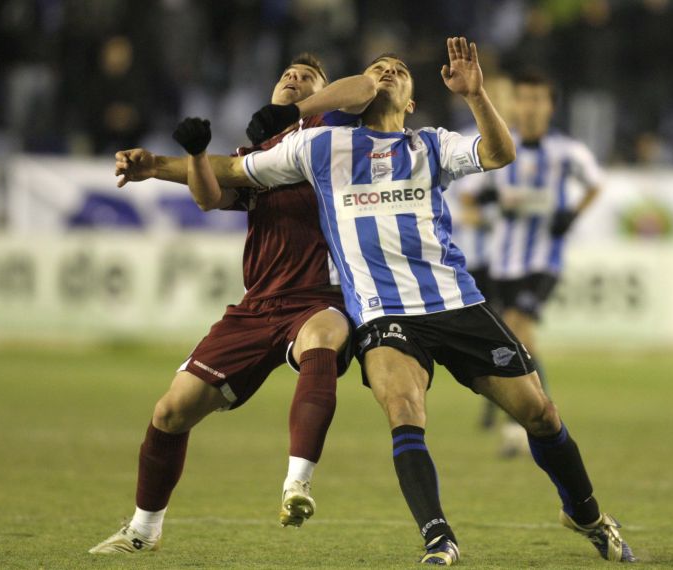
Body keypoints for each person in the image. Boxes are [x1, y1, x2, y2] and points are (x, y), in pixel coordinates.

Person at [175, 37, 635, 565]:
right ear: (359, 93)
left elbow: (500, 153)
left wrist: (477, 95)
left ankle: (585, 512)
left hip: (454, 302)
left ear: (412, 101)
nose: (389, 71)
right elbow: (231, 175)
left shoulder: (431, 145)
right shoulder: (320, 149)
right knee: (403, 409)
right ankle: (439, 538)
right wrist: (156, 165)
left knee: (540, 413)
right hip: (382, 313)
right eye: (378, 68)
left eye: (399, 69)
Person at [88, 54, 378, 554]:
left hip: (320, 298)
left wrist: (306, 105)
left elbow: (365, 88)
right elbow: (210, 196)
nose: (294, 78)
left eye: (309, 76)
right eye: (287, 74)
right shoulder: (254, 156)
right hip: (257, 306)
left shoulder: (339, 141)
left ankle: (297, 483)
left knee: (325, 339)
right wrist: (197, 154)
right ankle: (143, 530)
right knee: (170, 412)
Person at [486, 69, 603, 455]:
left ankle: (532, 423)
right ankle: (534, 417)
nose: (531, 107)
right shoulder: (501, 146)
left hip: (542, 262)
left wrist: (571, 214)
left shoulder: (565, 151)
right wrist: (488, 205)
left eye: (539, 100)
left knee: (519, 332)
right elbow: (471, 196)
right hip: (502, 262)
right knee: (512, 339)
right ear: (515, 104)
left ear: (551, 107)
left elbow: (596, 184)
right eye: (525, 99)